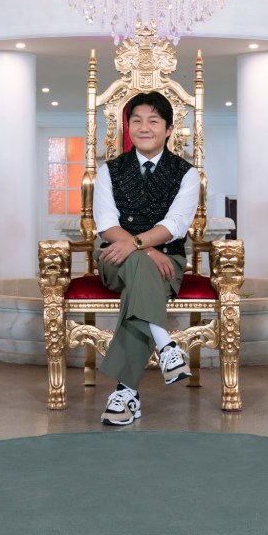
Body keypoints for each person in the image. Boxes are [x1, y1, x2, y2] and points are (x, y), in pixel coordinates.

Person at [93, 91, 201, 426]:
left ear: (168, 129)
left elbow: (176, 225)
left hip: (168, 264)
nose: (144, 127)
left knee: (139, 276)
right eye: (137, 120)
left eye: (153, 121)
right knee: (140, 261)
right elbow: (106, 224)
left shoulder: (186, 173)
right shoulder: (109, 171)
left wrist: (139, 246)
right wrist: (147, 249)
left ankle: (126, 393)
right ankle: (165, 344)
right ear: (128, 127)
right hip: (114, 258)